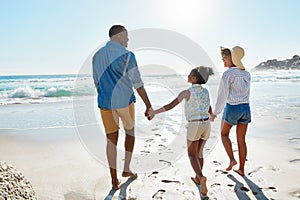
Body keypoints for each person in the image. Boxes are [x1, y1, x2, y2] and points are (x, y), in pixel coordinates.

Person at [92, 25, 153, 190]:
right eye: (126, 37)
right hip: (125, 102)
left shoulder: (96, 56)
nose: (127, 40)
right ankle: (126, 169)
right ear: (119, 36)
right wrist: (148, 105)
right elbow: (137, 83)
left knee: (111, 141)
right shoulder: (127, 55)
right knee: (130, 134)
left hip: (105, 103)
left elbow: (97, 83)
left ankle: (114, 180)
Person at [148, 66, 214, 196]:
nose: (188, 75)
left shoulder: (186, 92)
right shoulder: (206, 91)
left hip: (194, 124)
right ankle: (197, 177)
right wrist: (211, 116)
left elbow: (170, 106)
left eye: (190, 74)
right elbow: (208, 106)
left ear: (194, 78)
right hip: (206, 124)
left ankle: (200, 177)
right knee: (199, 153)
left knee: (191, 154)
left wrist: (155, 112)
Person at [212, 46, 251, 176]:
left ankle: (232, 160)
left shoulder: (227, 74)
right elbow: (246, 93)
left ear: (231, 58)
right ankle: (242, 169)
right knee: (241, 140)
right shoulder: (246, 74)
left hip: (233, 107)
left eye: (225, 59)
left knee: (224, 134)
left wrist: (215, 113)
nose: (223, 62)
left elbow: (222, 95)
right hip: (245, 108)